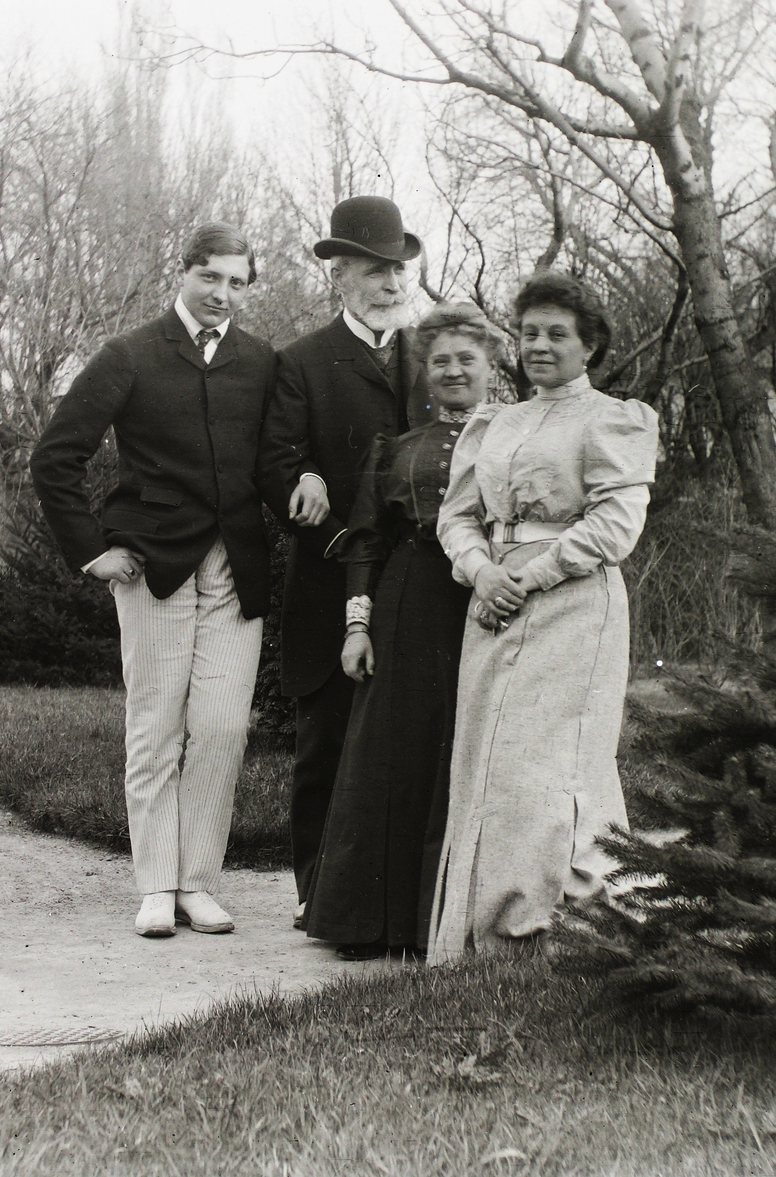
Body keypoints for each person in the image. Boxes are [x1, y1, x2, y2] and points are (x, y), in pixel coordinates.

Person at [30, 223, 274, 939]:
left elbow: (277, 456)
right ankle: (156, 885)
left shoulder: (259, 362)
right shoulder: (129, 355)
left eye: (236, 282)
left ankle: (199, 882)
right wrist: (92, 552)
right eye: (211, 278)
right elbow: (55, 457)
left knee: (224, 727)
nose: (222, 294)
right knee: (156, 723)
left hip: (236, 569)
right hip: (153, 567)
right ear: (185, 272)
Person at [429, 271, 658, 964]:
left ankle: (566, 931)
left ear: (589, 345)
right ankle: (483, 934)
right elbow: (457, 518)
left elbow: (615, 527)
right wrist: (483, 571)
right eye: (529, 332)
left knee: (551, 771)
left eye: (558, 333)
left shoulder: (613, 418)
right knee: (488, 767)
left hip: (572, 609)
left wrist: (525, 576)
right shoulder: (495, 422)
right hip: (494, 606)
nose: (540, 344)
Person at [305, 302, 511, 961]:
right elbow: (365, 542)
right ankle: (379, 921)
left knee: (474, 746)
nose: (453, 371)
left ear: (491, 365)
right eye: (440, 361)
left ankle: (465, 920)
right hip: (409, 603)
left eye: (466, 359)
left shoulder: (516, 438)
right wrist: (356, 628)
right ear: (425, 373)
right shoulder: (397, 449)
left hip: (489, 602)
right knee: (396, 749)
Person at [259, 196, 434, 928]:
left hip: (424, 580)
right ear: (340, 277)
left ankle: (401, 897)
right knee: (327, 744)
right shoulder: (300, 361)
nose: (391, 286)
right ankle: (317, 893)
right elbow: (276, 460)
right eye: (374, 272)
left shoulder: (433, 357)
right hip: (332, 579)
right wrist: (307, 487)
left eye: (399, 271)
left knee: (414, 738)